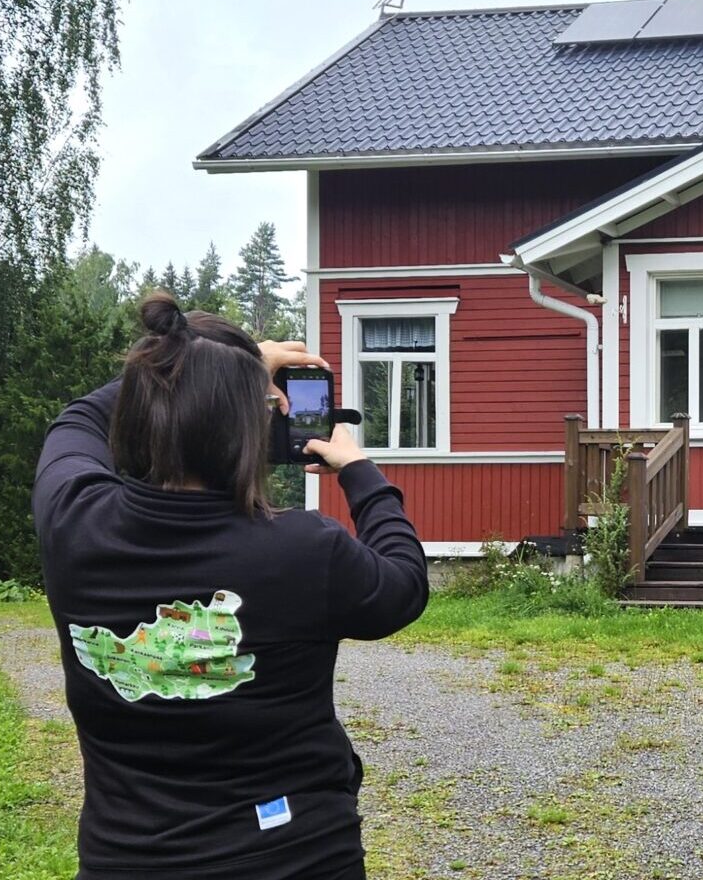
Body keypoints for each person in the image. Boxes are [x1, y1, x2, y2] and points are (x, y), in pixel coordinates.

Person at [32, 291, 429, 880]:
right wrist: (358, 471)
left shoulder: (74, 521)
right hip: (297, 853)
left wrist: (195, 365)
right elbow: (403, 582)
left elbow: (78, 419)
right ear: (248, 426)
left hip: (129, 862)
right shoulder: (303, 550)